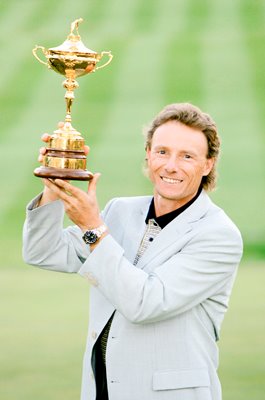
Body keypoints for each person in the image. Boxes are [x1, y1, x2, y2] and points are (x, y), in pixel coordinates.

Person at [23, 102, 243, 400]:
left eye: (187, 156)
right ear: (148, 154)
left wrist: (93, 227)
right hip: (103, 389)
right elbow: (42, 252)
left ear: (208, 164)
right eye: (162, 151)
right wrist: (55, 184)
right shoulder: (120, 210)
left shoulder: (219, 235)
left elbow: (145, 303)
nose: (171, 165)